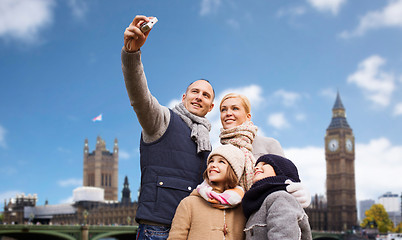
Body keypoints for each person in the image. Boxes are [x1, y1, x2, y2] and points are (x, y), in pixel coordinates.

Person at [122, 15, 215, 239]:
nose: (199, 97)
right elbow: (140, 97)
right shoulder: (162, 121)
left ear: (211, 107)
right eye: (195, 91)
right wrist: (132, 55)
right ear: (184, 97)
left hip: (193, 231)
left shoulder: (208, 143)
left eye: (205, 95)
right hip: (158, 229)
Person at [219, 93, 310, 206]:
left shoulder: (269, 144)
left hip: (263, 214)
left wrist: (301, 193)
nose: (228, 113)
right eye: (223, 110)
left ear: (248, 117)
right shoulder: (219, 153)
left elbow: (288, 179)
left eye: (235, 108)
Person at [168, 144, 247, 240]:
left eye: (221, 162)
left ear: (234, 170)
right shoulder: (189, 203)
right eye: (211, 161)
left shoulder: (243, 207)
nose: (213, 165)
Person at [242, 154, 312, 239]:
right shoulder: (258, 204)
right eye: (256, 166)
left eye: (264, 164)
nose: (256, 168)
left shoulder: (280, 198)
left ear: (281, 171)